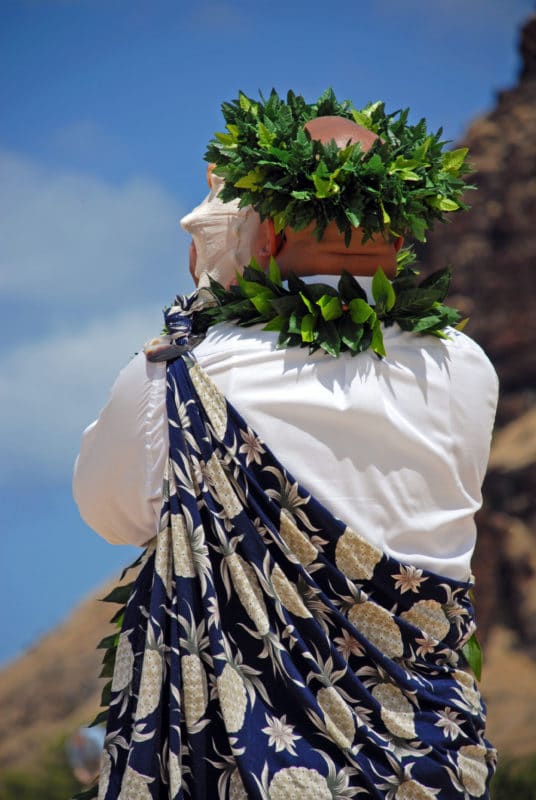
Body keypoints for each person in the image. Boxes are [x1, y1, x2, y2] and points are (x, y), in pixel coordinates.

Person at [74, 90, 498, 799]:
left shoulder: (187, 371)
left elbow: (110, 512)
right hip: (430, 767)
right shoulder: (467, 368)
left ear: (263, 239)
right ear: (399, 240)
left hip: (248, 769)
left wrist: (206, 300)